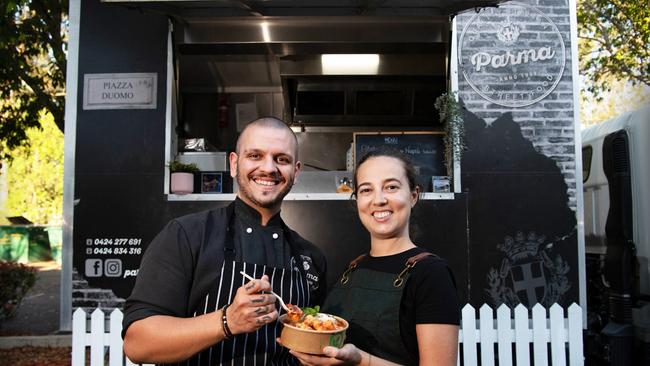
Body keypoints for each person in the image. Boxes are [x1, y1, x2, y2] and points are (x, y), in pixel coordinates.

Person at [122, 117, 327, 365]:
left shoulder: (310, 257)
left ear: (295, 172)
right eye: (255, 155)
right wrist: (227, 321)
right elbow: (137, 343)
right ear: (234, 163)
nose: (269, 168)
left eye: (281, 159)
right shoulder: (186, 235)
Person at [287, 148, 459, 366]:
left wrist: (361, 361)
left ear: (413, 196)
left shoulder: (432, 274)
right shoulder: (352, 270)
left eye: (391, 187)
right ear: (357, 199)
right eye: (367, 190)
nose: (378, 200)